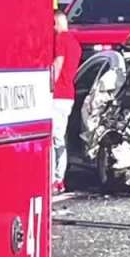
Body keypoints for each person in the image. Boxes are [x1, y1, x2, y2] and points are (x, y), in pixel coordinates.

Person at [52, 10, 82, 193]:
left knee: (54, 139)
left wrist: (48, 86)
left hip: (57, 95)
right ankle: (59, 177)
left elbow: (58, 63)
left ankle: (56, 178)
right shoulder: (75, 43)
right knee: (59, 137)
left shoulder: (61, 39)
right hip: (68, 95)